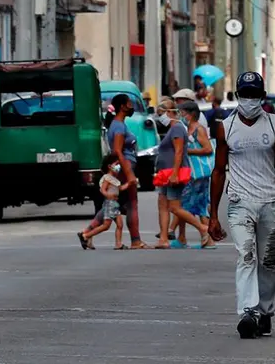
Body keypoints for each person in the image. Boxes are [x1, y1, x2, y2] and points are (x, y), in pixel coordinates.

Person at [208, 71, 275, 339]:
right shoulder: (226, 126)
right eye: (245, 95)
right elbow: (219, 171)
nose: (249, 100)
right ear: (237, 96)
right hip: (239, 202)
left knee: (269, 260)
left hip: (269, 201)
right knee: (246, 254)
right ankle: (249, 312)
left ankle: (264, 311)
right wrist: (213, 214)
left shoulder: (274, 124)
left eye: (254, 95)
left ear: (262, 97)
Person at [154, 98, 214, 249]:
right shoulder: (177, 128)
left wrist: (174, 173)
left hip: (180, 173)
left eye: (162, 113)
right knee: (166, 204)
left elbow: (180, 151)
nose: (160, 117)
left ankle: (202, 230)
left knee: (179, 206)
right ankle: (166, 237)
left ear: (170, 112)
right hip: (166, 173)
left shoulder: (179, 128)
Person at [103, 93, 147, 249]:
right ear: (122, 106)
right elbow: (118, 151)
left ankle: (87, 233)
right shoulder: (119, 126)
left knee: (114, 203)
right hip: (125, 166)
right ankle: (136, 241)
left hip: (123, 166)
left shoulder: (118, 124)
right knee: (132, 203)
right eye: (129, 103)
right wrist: (129, 174)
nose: (132, 106)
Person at [173, 101, 214, 247]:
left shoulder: (198, 129)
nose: (180, 116)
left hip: (198, 173)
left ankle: (203, 235)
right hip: (192, 173)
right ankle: (207, 239)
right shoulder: (188, 129)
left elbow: (208, 149)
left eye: (182, 113)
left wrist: (188, 151)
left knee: (184, 204)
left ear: (190, 114)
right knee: (201, 206)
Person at [77, 153, 128, 250]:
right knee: (106, 225)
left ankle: (118, 244)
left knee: (120, 224)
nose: (118, 166)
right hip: (110, 204)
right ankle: (86, 236)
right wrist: (108, 195)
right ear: (109, 166)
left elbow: (120, 188)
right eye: (116, 164)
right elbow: (102, 190)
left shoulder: (114, 179)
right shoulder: (107, 178)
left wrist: (130, 183)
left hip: (115, 205)